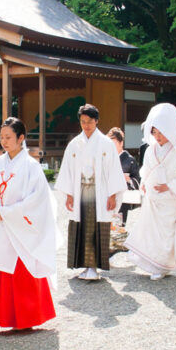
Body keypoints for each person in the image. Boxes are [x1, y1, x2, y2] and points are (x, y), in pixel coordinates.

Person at [0, 117, 58, 336]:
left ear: (21, 138)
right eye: (1, 137)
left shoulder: (31, 167)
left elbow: (37, 200)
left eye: (8, 137)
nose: (4, 141)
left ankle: (26, 317)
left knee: (20, 274)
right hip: (0, 226)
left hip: (20, 228)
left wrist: (9, 212)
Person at [55, 104, 127, 280]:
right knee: (82, 227)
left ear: (96, 121)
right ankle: (84, 265)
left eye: (89, 121)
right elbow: (67, 171)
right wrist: (69, 194)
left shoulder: (106, 144)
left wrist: (112, 195)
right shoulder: (74, 144)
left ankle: (93, 267)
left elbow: (113, 171)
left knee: (95, 228)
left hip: (100, 192)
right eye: (83, 121)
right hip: (80, 190)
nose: (86, 125)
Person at [124, 103, 176, 280]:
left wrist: (169, 186)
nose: (158, 137)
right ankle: (152, 264)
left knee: (165, 235)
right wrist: (144, 182)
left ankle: (163, 266)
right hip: (153, 199)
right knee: (150, 232)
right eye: (155, 133)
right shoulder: (150, 150)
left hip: (169, 201)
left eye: (161, 133)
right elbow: (145, 169)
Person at [107, 127, 140, 225]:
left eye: (114, 144)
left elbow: (138, 179)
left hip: (123, 197)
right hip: (107, 195)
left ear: (121, 143)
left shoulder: (129, 160)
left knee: (119, 226)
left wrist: (129, 179)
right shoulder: (106, 158)